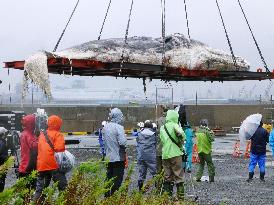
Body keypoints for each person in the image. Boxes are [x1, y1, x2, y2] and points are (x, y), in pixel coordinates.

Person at [34, 115, 67, 201]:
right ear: (58, 124)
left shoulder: (42, 134)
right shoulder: (58, 135)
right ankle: (62, 202)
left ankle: (36, 202)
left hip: (41, 165)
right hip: (53, 164)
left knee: (40, 189)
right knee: (63, 186)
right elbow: (60, 149)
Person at [160, 110, 186, 200]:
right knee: (178, 175)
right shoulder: (175, 125)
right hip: (175, 153)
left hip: (165, 154)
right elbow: (183, 135)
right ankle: (181, 197)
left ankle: (167, 197)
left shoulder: (162, 127)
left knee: (167, 176)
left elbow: (162, 140)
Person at [102, 108, 127, 197]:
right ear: (118, 116)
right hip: (118, 158)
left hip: (108, 157)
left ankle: (107, 195)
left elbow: (104, 142)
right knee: (117, 179)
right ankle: (113, 196)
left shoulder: (105, 127)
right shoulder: (119, 127)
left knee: (109, 177)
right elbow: (122, 143)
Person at [136, 120, 157, 191]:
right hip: (151, 156)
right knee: (155, 172)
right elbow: (156, 143)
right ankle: (157, 188)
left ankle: (140, 189)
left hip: (141, 156)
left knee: (141, 173)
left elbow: (138, 142)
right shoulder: (154, 134)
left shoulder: (139, 133)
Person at [19, 114, 38, 189]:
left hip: (25, 165)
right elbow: (34, 145)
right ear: (32, 124)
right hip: (28, 166)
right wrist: (39, 138)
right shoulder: (28, 134)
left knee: (26, 189)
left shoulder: (25, 133)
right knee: (29, 188)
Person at [0, 127, 8, 192]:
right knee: (1, 182)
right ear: (3, 134)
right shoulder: (2, 143)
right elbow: (2, 155)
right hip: (1, 166)